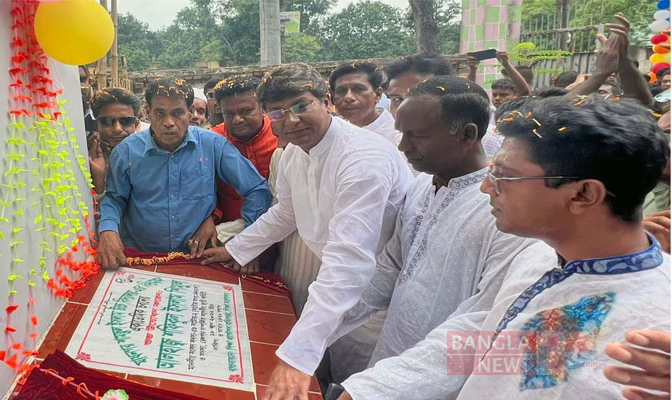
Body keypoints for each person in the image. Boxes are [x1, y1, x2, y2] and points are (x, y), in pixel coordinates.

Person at [337, 95, 670, 399]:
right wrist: (371, 390)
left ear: (582, 194)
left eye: (504, 177)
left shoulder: (651, 337)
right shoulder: (539, 257)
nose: (485, 187)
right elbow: (488, 336)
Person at [201, 63, 413, 400]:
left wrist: (297, 357)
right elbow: (287, 212)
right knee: (326, 374)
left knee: (357, 382)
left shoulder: (361, 159)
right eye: (278, 112)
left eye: (301, 106)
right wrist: (237, 248)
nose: (292, 120)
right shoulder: (292, 155)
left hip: (374, 295)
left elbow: (349, 262)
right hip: (334, 285)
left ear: (325, 99)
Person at [325, 77, 554, 385]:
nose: (403, 146)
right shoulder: (421, 183)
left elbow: (480, 325)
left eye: (417, 136)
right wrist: (321, 323)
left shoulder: (506, 214)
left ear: (466, 135)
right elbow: (390, 268)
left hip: (440, 380)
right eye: (402, 133)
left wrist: (384, 388)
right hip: (391, 357)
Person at [96, 78, 272, 267]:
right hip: (141, 256)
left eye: (177, 113)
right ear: (147, 114)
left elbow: (256, 189)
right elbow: (115, 198)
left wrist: (247, 243)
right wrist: (108, 230)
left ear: (190, 113)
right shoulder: (126, 152)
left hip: (199, 258)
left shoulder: (212, 145)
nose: (169, 122)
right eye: (160, 113)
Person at [210, 75, 279, 244]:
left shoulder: (281, 134)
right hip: (229, 235)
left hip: (282, 229)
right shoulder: (212, 141)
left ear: (262, 108)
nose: (237, 120)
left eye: (246, 111)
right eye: (229, 114)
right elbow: (204, 190)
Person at [329, 61, 401, 146]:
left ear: (378, 94)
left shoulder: (396, 138)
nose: (348, 97)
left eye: (359, 89)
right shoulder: (333, 134)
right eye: (341, 91)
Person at [88, 87, 142, 197]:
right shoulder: (85, 157)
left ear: (136, 124)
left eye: (126, 121)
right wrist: (98, 183)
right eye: (108, 121)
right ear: (97, 124)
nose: (117, 128)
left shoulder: (150, 154)